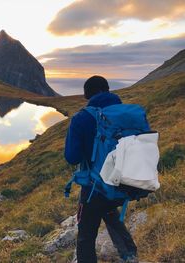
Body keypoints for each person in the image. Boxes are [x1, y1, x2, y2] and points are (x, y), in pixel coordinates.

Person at [64, 76, 138, 263]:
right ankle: (130, 255)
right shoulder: (127, 114)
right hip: (124, 181)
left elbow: (71, 157)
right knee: (109, 209)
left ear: (88, 95)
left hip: (94, 187)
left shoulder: (81, 118)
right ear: (107, 90)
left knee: (86, 234)